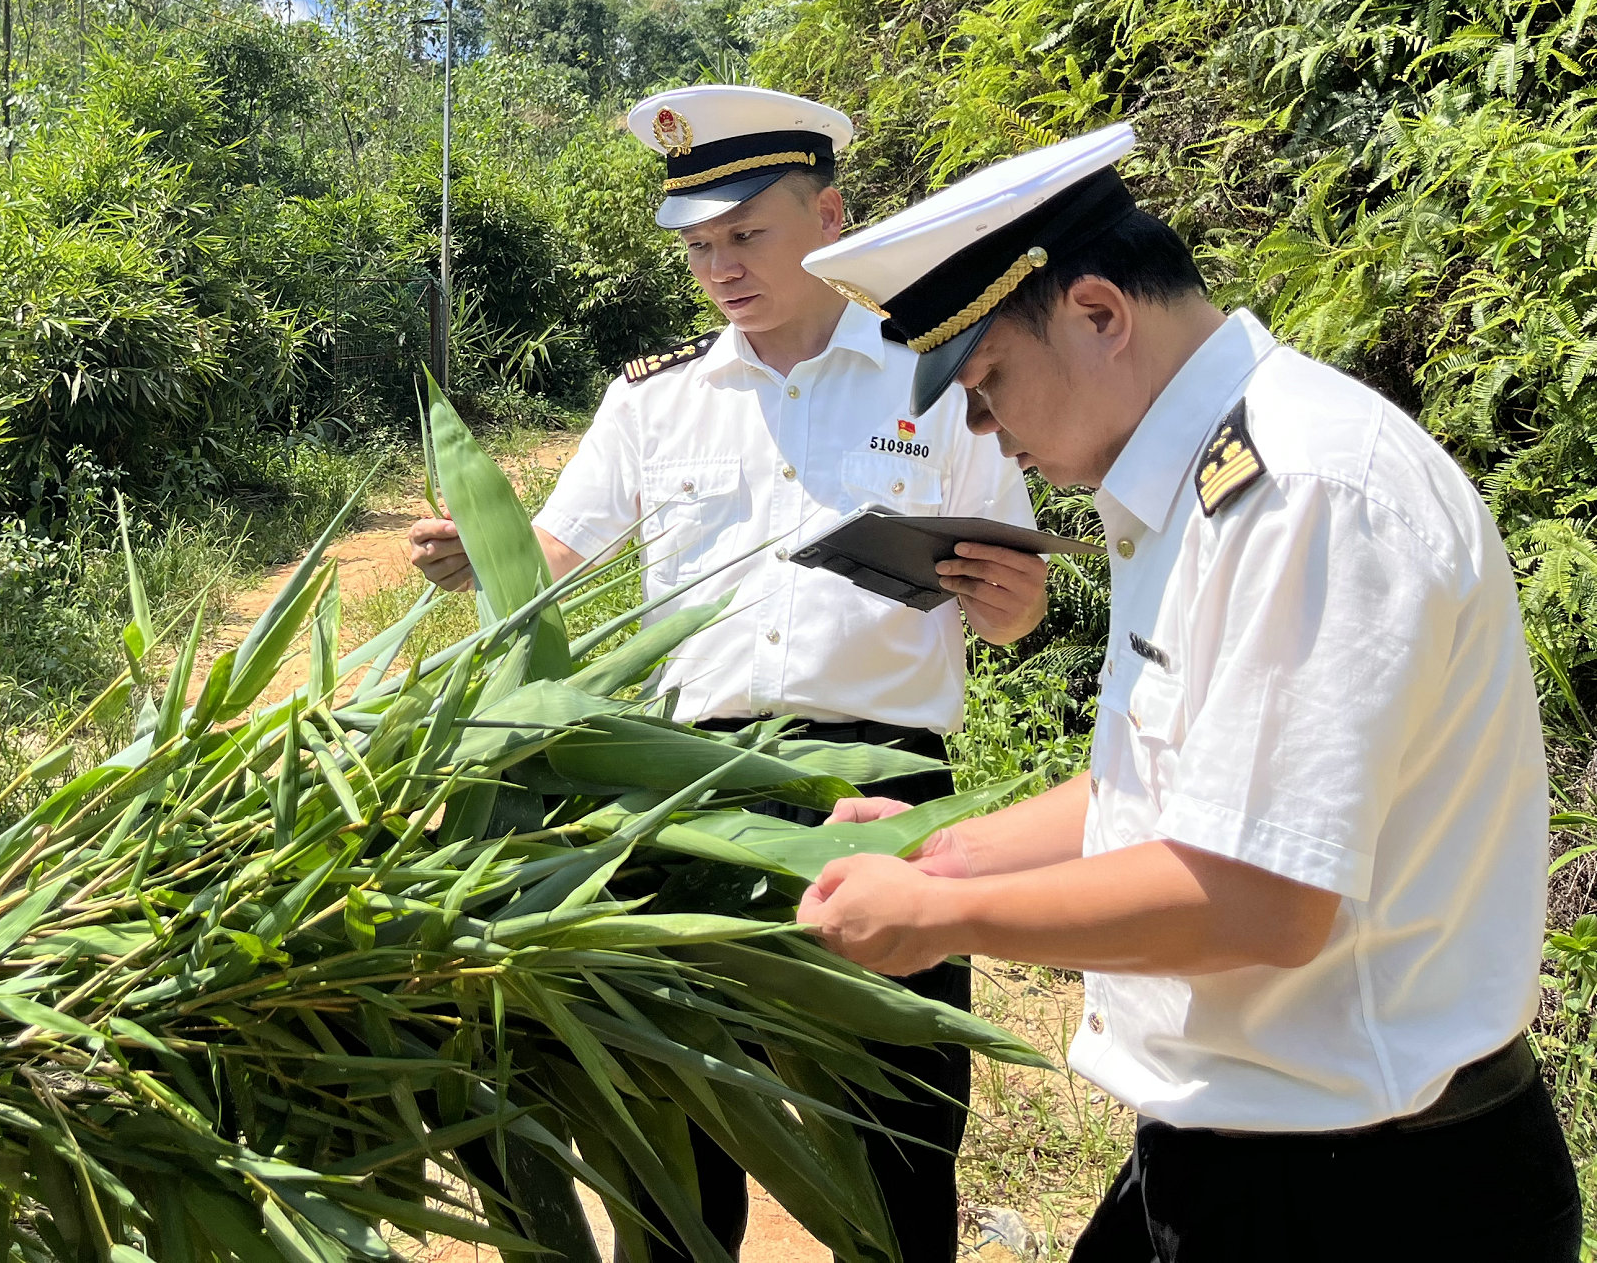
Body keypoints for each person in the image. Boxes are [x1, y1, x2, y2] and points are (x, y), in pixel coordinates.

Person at [794, 121, 1578, 1260]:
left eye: (987, 384)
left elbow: (1259, 896)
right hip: (1240, 1153)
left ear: (1100, 314)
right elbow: (1159, 787)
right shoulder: (1194, 483)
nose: (984, 434)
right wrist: (941, 847)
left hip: (1371, 1193)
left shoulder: (1301, 492)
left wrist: (944, 918)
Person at [406, 84, 1051, 1263]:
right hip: (684, 789)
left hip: (881, 787)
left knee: (896, 1117)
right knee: (678, 1118)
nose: (719, 267)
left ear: (830, 215)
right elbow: (552, 552)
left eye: (746, 233)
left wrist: (1015, 604)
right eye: (699, 245)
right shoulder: (653, 398)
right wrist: (475, 557)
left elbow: (1011, 597)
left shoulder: (935, 383)